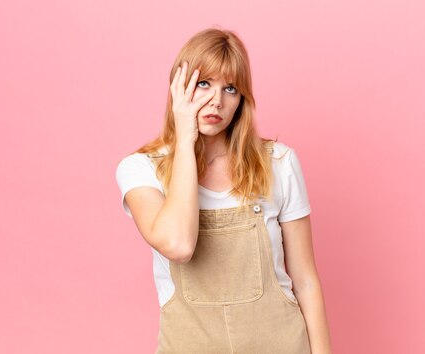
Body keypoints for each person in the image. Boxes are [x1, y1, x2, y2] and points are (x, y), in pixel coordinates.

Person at [115, 27, 332, 354]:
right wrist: (185, 143)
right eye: (203, 84)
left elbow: (305, 282)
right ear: (178, 87)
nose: (216, 100)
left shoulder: (279, 163)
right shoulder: (140, 169)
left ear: (242, 99)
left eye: (230, 88)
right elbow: (178, 244)